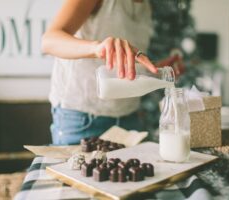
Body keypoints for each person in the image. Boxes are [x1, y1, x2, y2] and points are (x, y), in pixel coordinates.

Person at [42, 0, 184, 145]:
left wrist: (155, 70)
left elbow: (126, 67)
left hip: (129, 118)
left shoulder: (146, 5)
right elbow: (48, 41)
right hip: (82, 119)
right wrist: (97, 48)